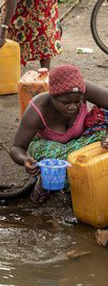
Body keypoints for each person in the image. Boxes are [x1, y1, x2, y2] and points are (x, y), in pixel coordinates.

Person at [11, 64, 108, 203]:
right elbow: (17, 148)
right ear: (52, 96)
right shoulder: (37, 109)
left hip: (81, 142)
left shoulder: (82, 89)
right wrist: (25, 160)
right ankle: (50, 182)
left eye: (77, 101)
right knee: (55, 158)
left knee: (101, 139)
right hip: (51, 151)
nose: (72, 107)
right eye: (65, 102)